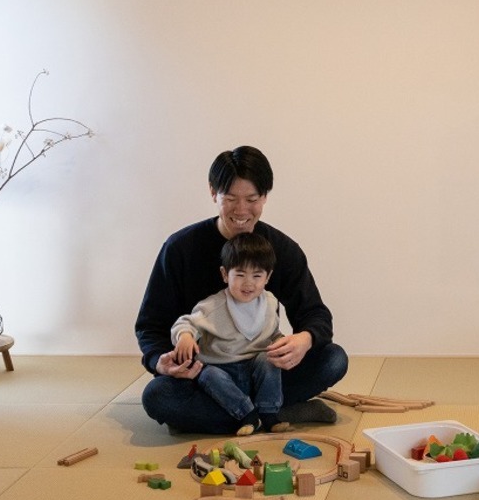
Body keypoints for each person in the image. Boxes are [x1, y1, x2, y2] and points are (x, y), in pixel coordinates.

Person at [137, 145, 349, 433]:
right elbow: (150, 325)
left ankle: (231, 416)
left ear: (265, 196)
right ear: (213, 192)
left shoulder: (282, 250)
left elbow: (315, 314)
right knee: (157, 396)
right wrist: (159, 362)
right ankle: (275, 412)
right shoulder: (180, 248)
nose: (241, 210)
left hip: (266, 369)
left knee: (333, 359)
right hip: (207, 375)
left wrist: (304, 339)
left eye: (252, 199)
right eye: (230, 198)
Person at [171, 231, 288, 435]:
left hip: (255, 370)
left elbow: (273, 333)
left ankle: (269, 413)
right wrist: (185, 336)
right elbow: (186, 322)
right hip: (223, 372)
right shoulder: (212, 306)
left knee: (270, 360)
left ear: (268, 277)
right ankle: (248, 415)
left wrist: (283, 344)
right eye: (240, 275)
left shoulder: (270, 302)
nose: (248, 283)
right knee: (206, 374)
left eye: (257, 276)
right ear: (225, 274)